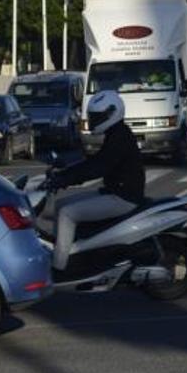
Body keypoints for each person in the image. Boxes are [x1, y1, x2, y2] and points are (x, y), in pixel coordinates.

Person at [46, 90, 145, 272]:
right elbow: (94, 162)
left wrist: (66, 178)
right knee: (61, 205)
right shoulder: (117, 133)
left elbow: (98, 167)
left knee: (67, 213)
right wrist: (65, 174)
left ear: (111, 113)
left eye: (97, 117)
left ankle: (59, 267)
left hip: (123, 198)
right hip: (115, 192)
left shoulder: (119, 137)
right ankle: (68, 249)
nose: (94, 120)